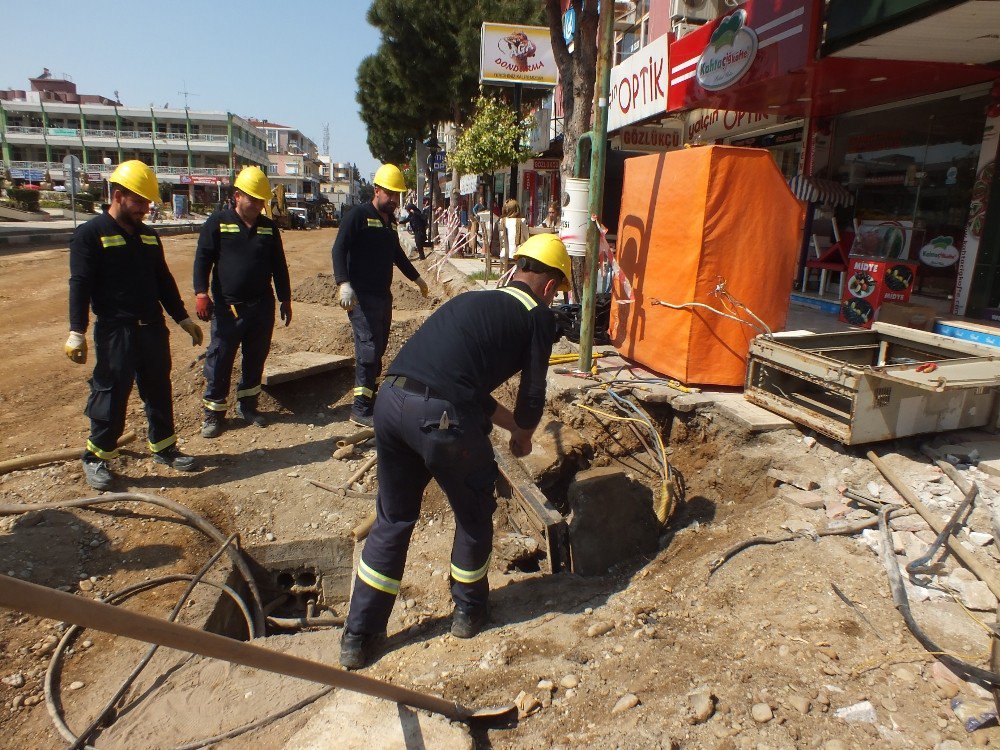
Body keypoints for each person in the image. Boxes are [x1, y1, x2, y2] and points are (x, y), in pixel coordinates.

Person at [339, 234, 572, 670]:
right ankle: (468, 610)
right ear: (549, 287)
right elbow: (533, 393)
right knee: (474, 509)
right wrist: (524, 433)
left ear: (517, 268)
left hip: (390, 403)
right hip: (439, 416)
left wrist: (513, 429)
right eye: (556, 291)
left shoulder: (477, 304)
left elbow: (466, 388)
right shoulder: (536, 315)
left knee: (392, 518)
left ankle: (358, 637)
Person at [66, 160, 204, 491]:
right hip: (117, 330)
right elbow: (80, 284)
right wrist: (76, 331)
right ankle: (96, 456)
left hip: (152, 327)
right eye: (139, 202)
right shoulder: (91, 235)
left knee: (158, 388)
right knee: (111, 392)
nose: (145, 208)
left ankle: (164, 448)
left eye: (147, 202)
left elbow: (163, 280)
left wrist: (181, 317)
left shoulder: (149, 236)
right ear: (118, 196)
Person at [193, 166, 292, 438]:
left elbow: (279, 267)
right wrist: (201, 293)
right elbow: (203, 259)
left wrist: (285, 299)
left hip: (261, 306)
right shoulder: (218, 222)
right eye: (254, 199)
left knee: (255, 357)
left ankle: (247, 405)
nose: (259, 206)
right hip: (228, 308)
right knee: (221, 358)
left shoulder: (268, 229)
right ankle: (214, 414)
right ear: (238, 196)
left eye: (262, 201)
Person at [332, 163, 429, 428]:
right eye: (390, 194)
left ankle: (371, 399)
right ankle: (360, 408)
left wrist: (416, 278)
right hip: (360, 298)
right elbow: (339, 249)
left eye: (397, 195)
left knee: (379, 349)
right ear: (376, 190)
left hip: (382, 297)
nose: (395, 200)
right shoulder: (358, 215)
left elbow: (396, 254)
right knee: (368, 350)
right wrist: (343, 283)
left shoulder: (390, 223)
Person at [500, 198, 529, 266]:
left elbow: (502, 237)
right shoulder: (522, 221)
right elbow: (526, 237)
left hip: (503, 252)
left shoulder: (502, 221)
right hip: (516, 252)